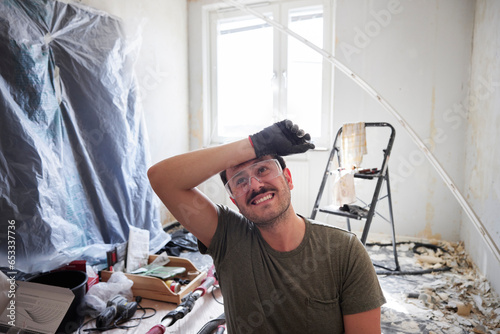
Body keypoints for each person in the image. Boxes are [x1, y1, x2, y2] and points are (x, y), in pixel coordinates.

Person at [148, 120, 386, 333]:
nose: (254, 185)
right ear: (235, 202)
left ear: (288, 179)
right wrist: (255, 143)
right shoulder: (228, 238)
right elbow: (161, 178)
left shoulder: (345, 251)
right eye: (240, 180)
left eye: (262, 169)